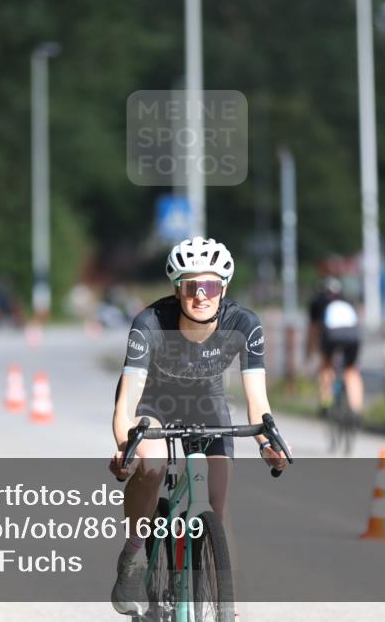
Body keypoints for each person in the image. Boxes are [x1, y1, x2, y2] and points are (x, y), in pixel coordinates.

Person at [107, 236, 291, 616]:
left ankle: (228, 606)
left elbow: (258, 404)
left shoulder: (244, 324)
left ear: (223, 288)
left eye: (210, 286)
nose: (201, 295)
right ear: (178, 289)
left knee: (218, 508)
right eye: (192, 286)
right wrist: (126, 446)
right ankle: (134, 554)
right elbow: (127, 401)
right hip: (153, 402)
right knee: (153, 466)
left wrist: (267, 444)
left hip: (206, 403)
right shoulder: (150, 323)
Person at [305, 277, 363, 415]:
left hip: (331, 333)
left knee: (326, 365)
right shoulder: (347, 301)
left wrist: (309, 353)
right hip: (352, 334)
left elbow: (313, 331)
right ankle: (356, 409)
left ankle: (326, 403)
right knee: (351, 370)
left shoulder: (317, 302)